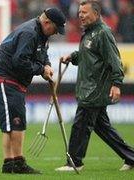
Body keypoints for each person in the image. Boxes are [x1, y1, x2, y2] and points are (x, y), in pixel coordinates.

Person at [55, 0, 134, 172]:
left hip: (94, 90)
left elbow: (115, 61)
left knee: (80, 126)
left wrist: (116, 84)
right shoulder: (90, 33)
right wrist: (73, 57)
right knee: (104, 129)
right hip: (89, 88)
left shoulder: (103, 33)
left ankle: (74, 162)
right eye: (80, 12)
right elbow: (89, 55)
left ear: (96, 14)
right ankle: (131, 158)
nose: (80, 15)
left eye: (84, 12)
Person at [0, 7, 66, 174]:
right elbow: (20, 61)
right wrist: (41, 70)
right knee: (16, 122)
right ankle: (18, 163)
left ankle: (9, 163)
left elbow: (42, 54)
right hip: (5, 78)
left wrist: (47, 66)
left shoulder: (42, 34)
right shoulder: (29, 33)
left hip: (14, 81)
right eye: (55, 29)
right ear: (47, 22)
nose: (55, 33)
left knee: (11, 123)